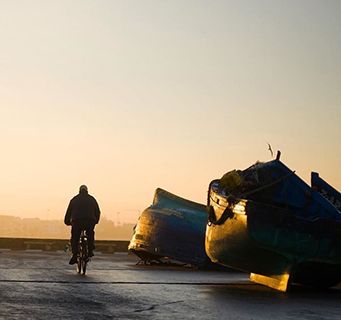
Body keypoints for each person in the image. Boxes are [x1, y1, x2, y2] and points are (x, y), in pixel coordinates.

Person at [64, 185, 101, 265]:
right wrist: (96, 221)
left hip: (77, 221)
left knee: (75, 237)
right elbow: (97, 211)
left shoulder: (74, 199)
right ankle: (90, 250)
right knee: (90, 233)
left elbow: (69, 212)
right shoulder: (92, 199)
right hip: (89, 221)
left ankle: (74, 255)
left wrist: (67, 221)